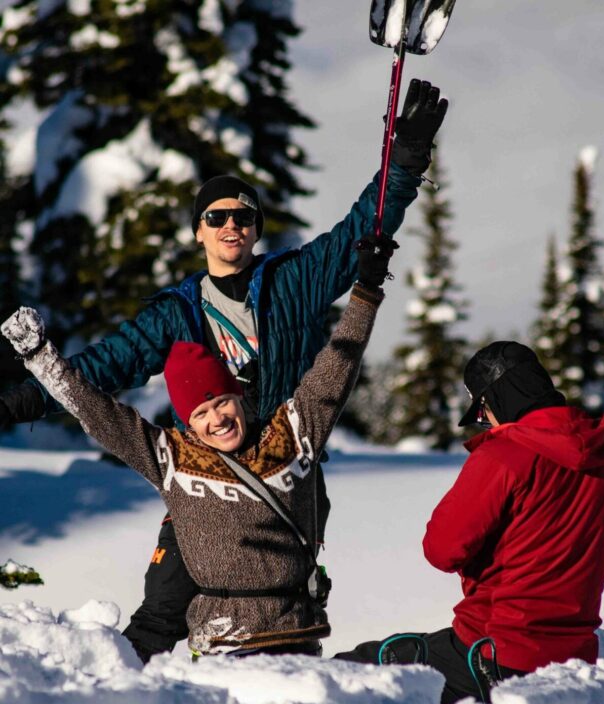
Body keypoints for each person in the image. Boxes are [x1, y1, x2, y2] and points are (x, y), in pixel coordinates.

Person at [0, 79, 449, 662]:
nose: (230, 225)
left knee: (278, 605)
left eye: (242, 215)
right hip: (203, 480)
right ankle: (128, 702)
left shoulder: (292, 280)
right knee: (163, 609)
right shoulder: (177, 314)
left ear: (256, 227)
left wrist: (405, 159)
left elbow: (360, 232)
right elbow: (102, 370)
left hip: (281, 477)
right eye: (216, 216)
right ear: (198, 231)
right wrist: (22, 400)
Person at [1, 236, 395, 657]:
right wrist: (41, 358)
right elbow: (96, 411)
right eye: (202, 413)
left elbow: (339, 363)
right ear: (187, 422)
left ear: (239, 397)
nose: (218, 419)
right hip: (222, 649)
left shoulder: (293, 434)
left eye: (222, 402)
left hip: (294, 641)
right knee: (157, 616)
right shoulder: (171, 456)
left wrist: (366, 293)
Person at [336, 341, 604, 704]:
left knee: (350, 671)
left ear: (497, 399)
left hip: (494, 652)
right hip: (575, 656)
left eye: (483, 412)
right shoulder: (599, 454)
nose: (487, 422)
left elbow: (442, 549)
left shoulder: (505, 454)